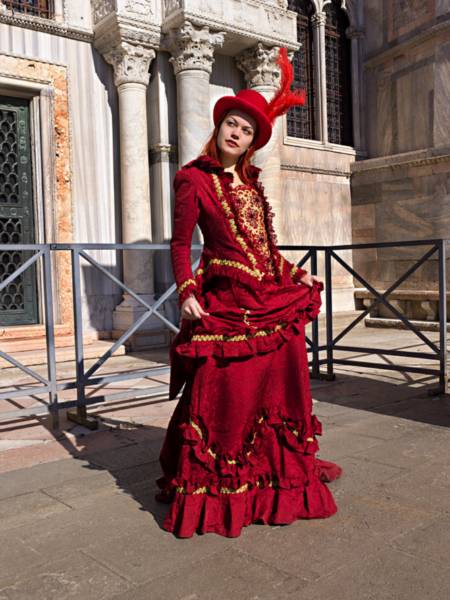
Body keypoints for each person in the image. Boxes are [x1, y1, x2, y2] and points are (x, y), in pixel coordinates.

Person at [156, 48, 342, 538]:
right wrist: (187, 292)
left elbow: (264, 248)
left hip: (271, 296)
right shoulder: (193, 179)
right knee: (227, 389)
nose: (236, 133)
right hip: (228, 301)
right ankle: (220, 485)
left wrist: (296, 274)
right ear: (219, 127)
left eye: (246, 130)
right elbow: (181, 244)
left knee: (282, 376)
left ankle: (274, 478)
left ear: (252, 143)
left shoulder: (253, 185)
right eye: (232, 124)